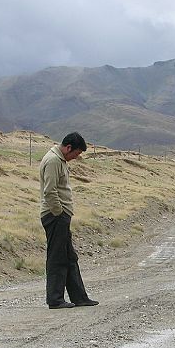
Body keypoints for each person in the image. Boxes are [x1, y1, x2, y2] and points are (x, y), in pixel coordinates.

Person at [39, 132, 98, 309]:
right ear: (68, 148)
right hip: (54, 216)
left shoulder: (60, 160)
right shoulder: (53, 161)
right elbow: (49, 191)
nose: (76, 158)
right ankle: (55, 299)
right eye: (76, 154)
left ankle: (79, 297)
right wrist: (59, 212)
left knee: (69, 257)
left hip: (61, 216)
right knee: (58, 257)